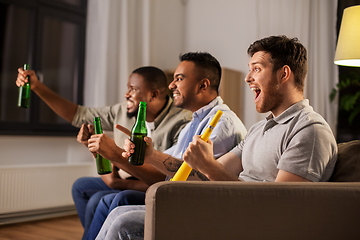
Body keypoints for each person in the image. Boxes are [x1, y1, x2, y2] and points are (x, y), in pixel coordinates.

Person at [96, 35, 338, 240]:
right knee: (119, 213)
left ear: (283, 74)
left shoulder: (309, 130)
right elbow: (199, 176)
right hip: (223, 209)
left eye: (256, 68)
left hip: (243, 224)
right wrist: (150, 155)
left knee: (124, 222)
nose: (247, 78)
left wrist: (211, 169)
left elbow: (278, 208)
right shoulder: (259, 129)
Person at [84, 51, 247, 240]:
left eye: (179, 78)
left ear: (203, 85)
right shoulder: (192, 124)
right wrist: (145, 153)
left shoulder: (222, 123)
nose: (171, 85)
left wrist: (118, 154)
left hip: (190, 206)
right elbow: (164, 168)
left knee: (117, 204)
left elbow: (198, 177)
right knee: (109, 199)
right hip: (172, 197)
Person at [16, 66, 193, 237]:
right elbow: (79, 115)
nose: (126, 94)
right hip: (123, 177)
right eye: (127, 88)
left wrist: (119, 182)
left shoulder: (181, 122)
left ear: (153, 94)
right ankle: (100, 234)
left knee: (98, 200)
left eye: (133, 89)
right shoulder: (122, 111)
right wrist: (36, 86)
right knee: (81, 187)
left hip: (151, 183)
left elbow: (170, 178)